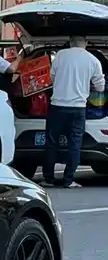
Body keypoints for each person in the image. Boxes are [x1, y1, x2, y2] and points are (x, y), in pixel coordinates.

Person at [42, 35, 106, 188]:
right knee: (74, 144)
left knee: (51, 142)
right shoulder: (92, 60)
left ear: (70, 42)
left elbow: (51, 78)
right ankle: (68, 180)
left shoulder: (60, 56)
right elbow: (100, 87)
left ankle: (48, 179)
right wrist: (88, 86)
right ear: (86, 43)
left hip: (57, 105)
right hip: (78, 108)